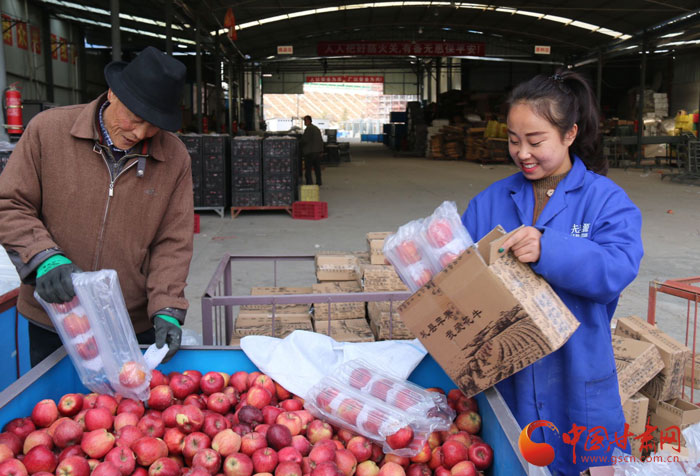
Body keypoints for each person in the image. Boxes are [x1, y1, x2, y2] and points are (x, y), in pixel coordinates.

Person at [461, 70, 643, 475]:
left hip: (578, 371)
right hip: (506, 371)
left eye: (535, 141)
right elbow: (459, 275)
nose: (522, 152)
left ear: (570, 134)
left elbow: (618, 267)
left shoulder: (605, 200)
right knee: (512, 462)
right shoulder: (490, 201)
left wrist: (550, 249)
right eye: (513, 140)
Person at [0, 46, 194, 366]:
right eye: (136, 119)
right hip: (55, 318)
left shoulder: (174, 158)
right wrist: (41, 257)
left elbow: (173, 241)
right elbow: (10, 203)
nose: (141, 133)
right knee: (55, 408)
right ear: (113, 94)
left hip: (132, 324)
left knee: (129, 413)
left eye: (154, 125)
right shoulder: (48, 132)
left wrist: (168, 307)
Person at [300, 115, 324, 186]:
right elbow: (320, 140)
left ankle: (309, 183)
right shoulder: (316, 128)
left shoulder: (308, 129)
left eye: (305, 121)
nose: (304, 122)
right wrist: (321, 150)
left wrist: (298, 144)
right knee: (317, 168)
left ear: (309, 120)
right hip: (317, 152)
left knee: (308, 169)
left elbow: (305, 140)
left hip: (310, 152)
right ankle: (319, 182)